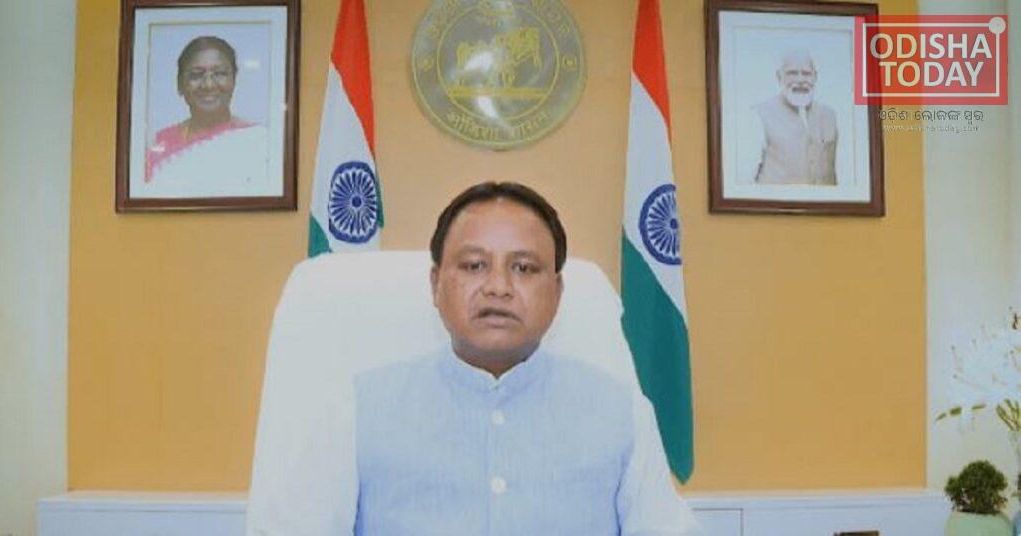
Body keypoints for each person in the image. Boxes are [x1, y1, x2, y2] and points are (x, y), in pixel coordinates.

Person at [349, 182, 700, 534]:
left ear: (557, 293)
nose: (498, 287)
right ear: (435, 284)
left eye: (524, 268)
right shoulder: (358, 411)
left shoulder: (621, 414)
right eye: (474, 265)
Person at [141, 36, 268, 197]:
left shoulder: (260, 142)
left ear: (234, 80)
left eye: (219, 74)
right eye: (196, 75)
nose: (208, 85)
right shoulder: (158, 146)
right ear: (180, 84)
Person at [746, 49, 838, 185]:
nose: (800, 80)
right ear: (779, 77)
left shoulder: (830, 115)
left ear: (815, 77)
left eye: (806, 73)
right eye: (792, 73)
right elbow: (746, 181)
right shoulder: (758, 115)